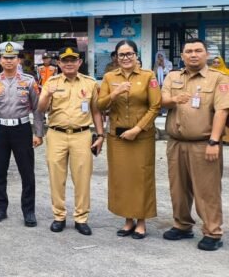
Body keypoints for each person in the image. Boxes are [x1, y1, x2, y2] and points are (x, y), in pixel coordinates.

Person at [160, 38, 229, 251]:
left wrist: (214, 141)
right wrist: (174, 100)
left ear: (206, 54)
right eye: (188, 51)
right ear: (182, 56)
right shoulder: (172, 77)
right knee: (178, 188)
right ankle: (182, 225)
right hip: (176, 142)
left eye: (198, 50)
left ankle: (212, 232)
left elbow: (222, 111)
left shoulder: (219, 79)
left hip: (204, 143)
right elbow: (162, 100)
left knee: (207, 190)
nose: (193, 54)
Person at [96, 39, 160, 240]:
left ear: (136, 55)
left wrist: (137, 128)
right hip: (117, 137)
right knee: (122, 178)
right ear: (116, 57)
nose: (125, 58)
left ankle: (141, 221)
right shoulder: (109, 77)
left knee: (141, 177)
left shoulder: (148, 76)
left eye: (129, 53)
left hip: (141, 136)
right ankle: (128, 220)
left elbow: (155, 106)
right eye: (121, 54)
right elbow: (99, 105)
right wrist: (114, 93)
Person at [37, 47, 105, 235]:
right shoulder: (51, 82)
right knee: (56, 177)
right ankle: (59, 216)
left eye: (72, 60)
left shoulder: (90, 83)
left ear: (79, 62)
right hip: (56, 134)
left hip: (82, 135)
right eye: (65, 60)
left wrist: (100, 135)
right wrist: (47, 94)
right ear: (59, 63)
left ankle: (81, 218)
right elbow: (40, 109)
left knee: (82, 178)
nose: (69, 64)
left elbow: (96, 111)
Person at [0, 41, 44, 227]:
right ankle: (0, 209)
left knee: (27, 173)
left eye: (12, 57)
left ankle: (29, 212)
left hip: (22, 130)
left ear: (18, 60)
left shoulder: (29, 81)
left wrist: (38, 133)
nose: (9, 61)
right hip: (0, 130)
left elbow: (38, 108)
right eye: (5, 58)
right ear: (0, 60)